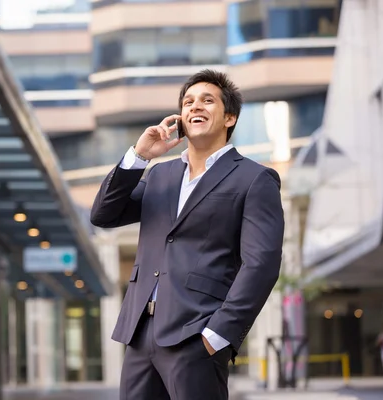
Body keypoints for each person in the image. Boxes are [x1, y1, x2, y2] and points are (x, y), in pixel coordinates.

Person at [90, 69, 285, 399]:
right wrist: (139, 156)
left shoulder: (254, 179)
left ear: (230, 117)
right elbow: (103, 214)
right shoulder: (160, 175)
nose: (195, 107)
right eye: (188, 102)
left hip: (196, 334)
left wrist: (219, 334)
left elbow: (261, 264)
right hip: (140, 335)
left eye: (208, 101)